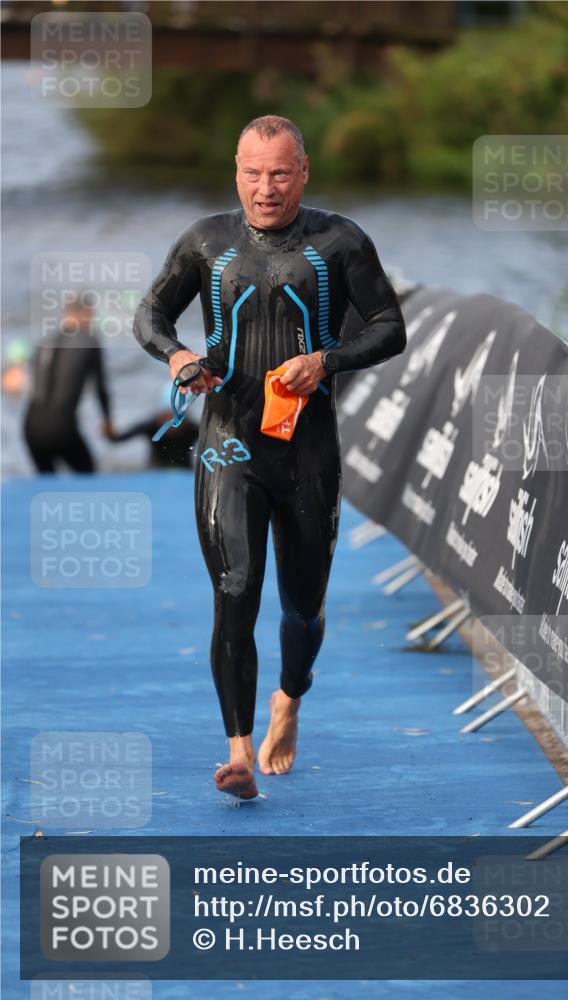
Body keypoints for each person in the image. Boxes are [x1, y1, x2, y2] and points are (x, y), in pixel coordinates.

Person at [133, 115, 406, 799]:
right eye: (253, 173)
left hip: (308, 452)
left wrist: (327, 359)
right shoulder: (206, 242)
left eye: (279, 173)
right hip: (227, 444)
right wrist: (181, 356)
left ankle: (289, 697)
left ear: (303, 171)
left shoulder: (338, 241)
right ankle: (238, 752)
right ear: (236, 171)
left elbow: (389, 329)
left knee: (302, 607)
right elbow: (149, 315)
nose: (265, 188)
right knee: (234, 591)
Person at [23, 295, 113, 473]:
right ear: (87, 313)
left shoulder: (45, 342)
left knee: (46, 485)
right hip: (62, 428)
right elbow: (100, 387)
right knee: (89, 478)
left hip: (30, 427)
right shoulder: (90, 341)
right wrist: (107, 421)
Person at [107, 384, 199, 468]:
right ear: (160, 416)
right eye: (168, 416)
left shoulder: (193, 429)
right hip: (156, 472)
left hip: (184, 472)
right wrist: (110, 433)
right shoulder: (151, 426)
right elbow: (116, 439)